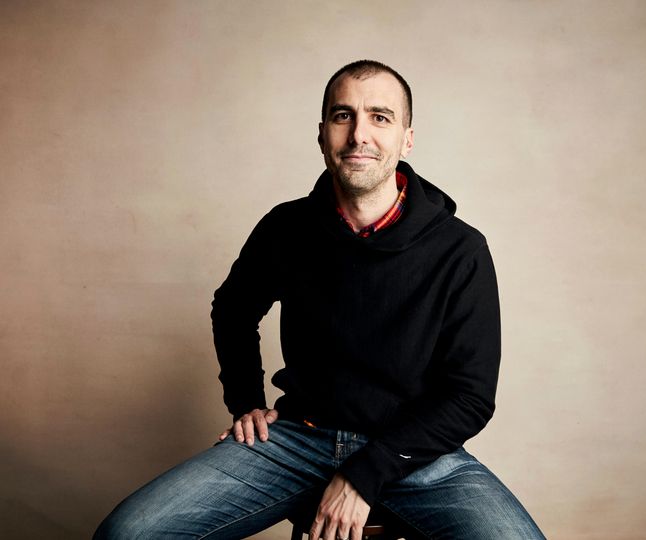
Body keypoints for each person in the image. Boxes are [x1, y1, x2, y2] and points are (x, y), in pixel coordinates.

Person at [94, 60, 544, 540]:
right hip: (297, 438)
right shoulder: (286, 228)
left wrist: (364, 473)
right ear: (322, 133)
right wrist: (246, 401)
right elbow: (233, 308)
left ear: (407, 139)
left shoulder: (459, 248)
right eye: (342, 115)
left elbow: (470, 396)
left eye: (380, 117)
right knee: (128, 533)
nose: (359, 136)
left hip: (412, 450)